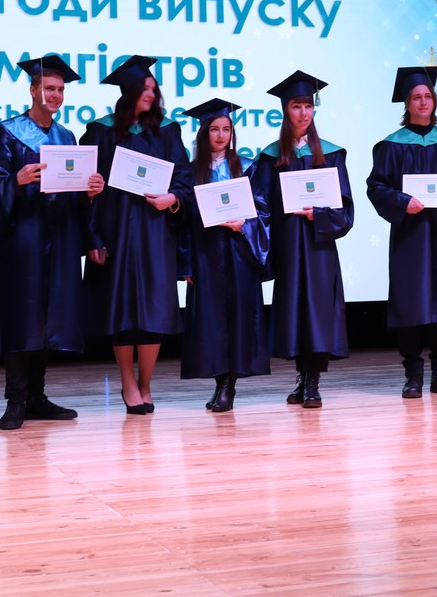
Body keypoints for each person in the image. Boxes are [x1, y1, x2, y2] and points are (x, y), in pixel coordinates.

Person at [0, 54, 105, 430]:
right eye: (49, 88)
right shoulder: (7, 131)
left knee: (50, 316)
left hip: (61, 237)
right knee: (22, 315)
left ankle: (37, 396)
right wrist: (16, 180)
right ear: (33, 90)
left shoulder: (66, 137)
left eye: (60, 90)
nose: (55, 95)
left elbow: (72, 190)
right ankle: (16, 399)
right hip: (23, 238)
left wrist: (90, 191)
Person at [82, 55, 194, 415]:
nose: (151, 94)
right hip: (115, 230)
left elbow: (184, 178)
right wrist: (92, 236)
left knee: (153, 311)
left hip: (154, 231)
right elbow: (86, 186)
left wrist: (172, 198)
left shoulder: (167, 131)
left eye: (154, 89)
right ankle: (127, 382)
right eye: (145, 89)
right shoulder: (100, 131)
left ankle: (145, 383)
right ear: (128, 92)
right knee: (122, 311)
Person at [366, 66, 437, 398]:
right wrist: (403, 202)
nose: (423, 102)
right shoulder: (391, 145)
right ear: (407, 103)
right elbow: (377, 186)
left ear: (435, 101)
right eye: (416, 97)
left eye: (428, 96)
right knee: (411, 302)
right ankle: (413, 375)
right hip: (411, 236)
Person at [249, 70, 353, 408]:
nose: (303, 113)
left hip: (319, 246)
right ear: (285, 110)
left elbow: (345, 208)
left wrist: (317, 214)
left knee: (318, 311)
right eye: (296, 106)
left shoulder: (331, 154)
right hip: (289, 244)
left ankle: (313, 382)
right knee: (294, 312)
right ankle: (301, 376)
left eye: (308, 106)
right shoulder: (270, 157)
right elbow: (261, 205)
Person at [178, 98, 270, 413]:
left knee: (237, 317)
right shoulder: (191, 171)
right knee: (212, 320)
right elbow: (184, 221)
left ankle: (229, 385)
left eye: (226, 129)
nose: (220, 135)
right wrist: (186, 262)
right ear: (204, 133)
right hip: (205, 253)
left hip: (238, 250)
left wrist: (245, 224)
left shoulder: (247, 166)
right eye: (214, 129)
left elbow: (263, 209)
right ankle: (219, 381)